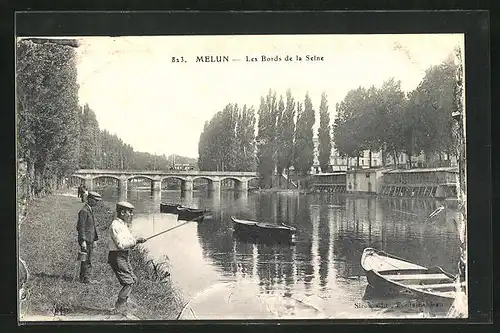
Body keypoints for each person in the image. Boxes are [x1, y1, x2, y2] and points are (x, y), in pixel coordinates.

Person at [108, 201, 146, 313]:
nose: (131, 215)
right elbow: (120, 245)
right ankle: (119, 307)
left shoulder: (122, 224)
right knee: (128, 282)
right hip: (117, 256)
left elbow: (127, 240)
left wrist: (137, 240)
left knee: (132, 279)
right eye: (130, 212)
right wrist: (136, 241)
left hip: (124, 255)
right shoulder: (115, 226)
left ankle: (125, 302)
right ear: (122, 212)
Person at [76, 191, 101, 283]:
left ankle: (83, 277)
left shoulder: (89, 209)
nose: (97, 203)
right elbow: (80, 227)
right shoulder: (84, 211)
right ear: (90, 199)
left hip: (90, 239)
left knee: (87, 258)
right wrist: (83, 241)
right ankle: (87, 279)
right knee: (87, 260)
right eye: (95, 200)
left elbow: (92, 226)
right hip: (86, 240)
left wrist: (95, 239)